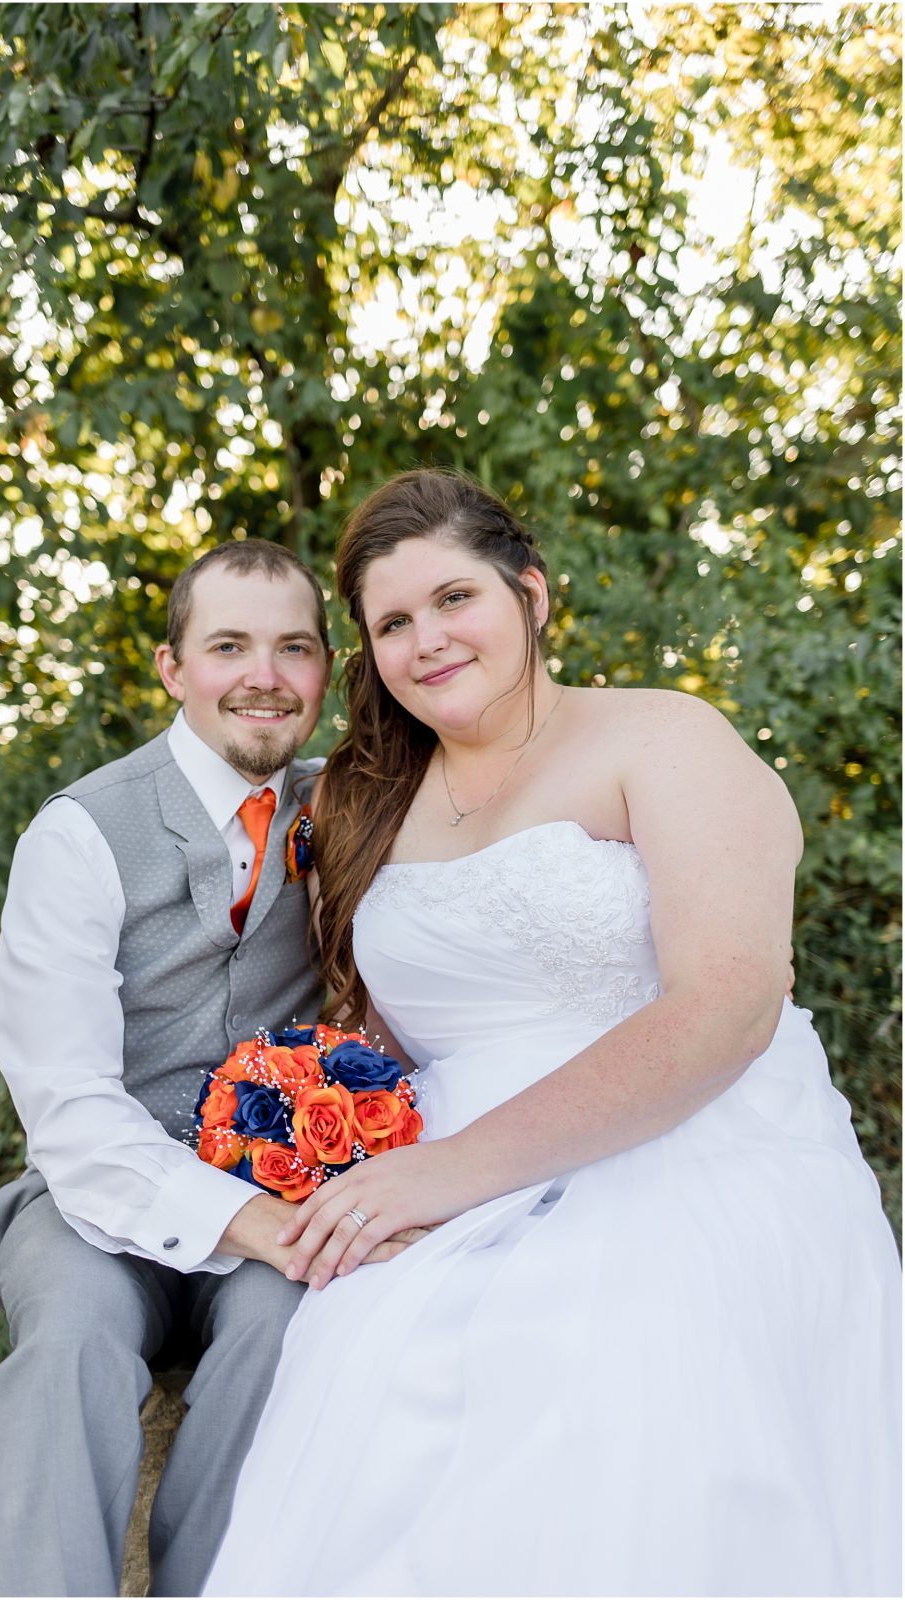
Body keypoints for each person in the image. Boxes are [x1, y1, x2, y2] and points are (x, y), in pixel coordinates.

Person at [204, 471, 902, 1599]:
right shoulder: (362, 802)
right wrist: (329, 1131)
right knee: (366, 1352)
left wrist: (444, 1176)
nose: (425, 639)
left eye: (453, 599)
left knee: (611, 1350)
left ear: (530, 593)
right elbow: (372, 1031)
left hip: (691, 1134)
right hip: (435, 1160)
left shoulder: (660, 737)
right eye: (390, 623)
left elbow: (728, 1002)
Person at [0, 539, 424, 1598]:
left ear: (324, 669)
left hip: (282, 1181)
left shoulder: (347, 809)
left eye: (293, 647)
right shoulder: (79, 834)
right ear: (173, 668)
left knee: (283, 1341)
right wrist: (255, 1224)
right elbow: (69, 1107)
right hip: (91, 1197)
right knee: (66, 1350)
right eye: (229, 645)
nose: (263, 675)